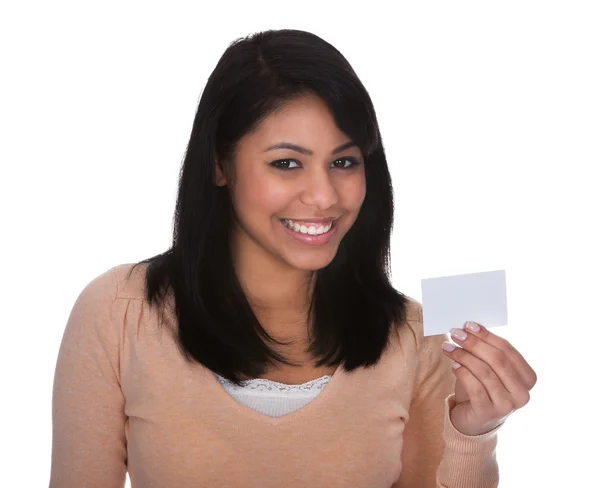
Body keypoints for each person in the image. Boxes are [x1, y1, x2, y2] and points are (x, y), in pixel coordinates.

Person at [49, 29, 537, 487]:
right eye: (287, 163)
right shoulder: (117, 312)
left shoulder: (414, 337)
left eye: (344, 162)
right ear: (220, 164)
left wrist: (475, 431)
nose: (325, 197)